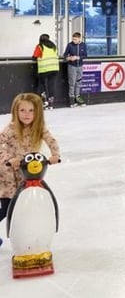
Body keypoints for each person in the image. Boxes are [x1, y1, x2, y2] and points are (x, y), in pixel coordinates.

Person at [0, 93, 62, 247]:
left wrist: (55, 155)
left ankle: (27, 238)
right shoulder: (11, 128)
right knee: (8, 208)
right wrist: (8, 159)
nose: (26, 115)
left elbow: (51, 141)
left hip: (28, 174)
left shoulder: (39, 128)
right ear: (16, 111)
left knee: (25, 206)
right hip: (8, 175)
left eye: (31, 111)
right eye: (22, 110)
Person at [32, 33, 60, 110]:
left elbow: (35, 56)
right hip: (55, 68)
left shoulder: (40, 46)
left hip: (44, 69)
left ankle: (44, 101)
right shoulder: (53, 46)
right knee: (51, 85)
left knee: (42, 85)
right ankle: (51, 104)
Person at [62, 32, 87, 107]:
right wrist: (69, 58)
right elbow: (65, 55)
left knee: (79, 82)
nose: (74, 41)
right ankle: (71, 99)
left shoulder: (83, 45)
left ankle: (78, 96)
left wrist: (78, 57)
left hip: (80, 66)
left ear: (79, 39)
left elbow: (85, 55)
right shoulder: (70, 45)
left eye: (75, 39)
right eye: (73, 39)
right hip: (72, 66)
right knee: (72, 83)